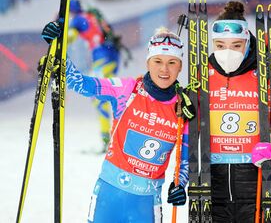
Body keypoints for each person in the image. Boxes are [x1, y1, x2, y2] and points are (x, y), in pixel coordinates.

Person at [41, 22, 195, 223]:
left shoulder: (183, 107)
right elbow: (79, 82)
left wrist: (179, 185)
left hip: (146, 203)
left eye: (172, 62)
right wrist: (57, 46)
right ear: (148, 62)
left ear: (180, 66)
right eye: (157, 61)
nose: (164, 69)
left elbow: (185, 158)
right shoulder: (127, 89)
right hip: (109, 195)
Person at [206, 0, 271, 222]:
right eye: (220, 46)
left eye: (236, 45)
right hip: (214, 180)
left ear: (247, 43)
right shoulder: (203, 74)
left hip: (254, 177)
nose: (227, 52)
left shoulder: (262, 73)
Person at [69, 0, 123, 151]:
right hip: (113, 56)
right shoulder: (93, 16)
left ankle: (109, 141)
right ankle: (113, 139)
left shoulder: (78, 19)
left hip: (102, 58)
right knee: (109, 95)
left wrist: (59, 38)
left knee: (99, 97)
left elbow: (70, 36)